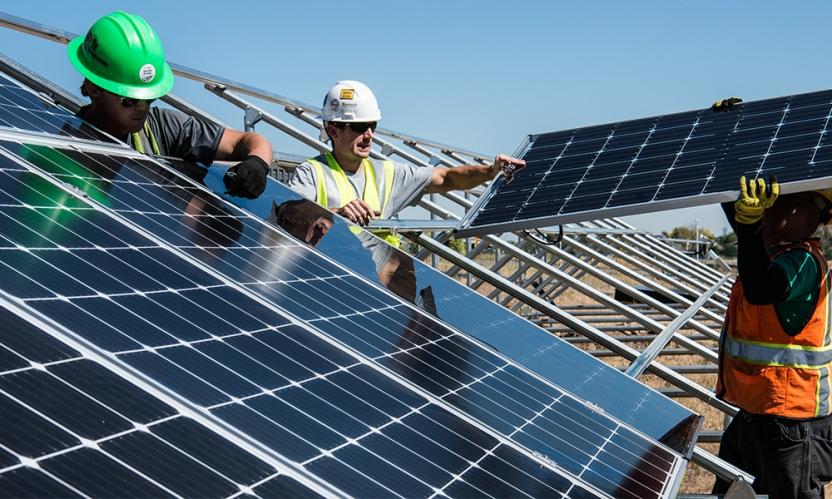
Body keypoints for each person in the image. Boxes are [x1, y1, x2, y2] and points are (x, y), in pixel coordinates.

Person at [287, 80, 525, 247]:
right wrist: (335, 214)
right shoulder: (311, 174)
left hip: (378, 282)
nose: (369, 135)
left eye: (373, 126)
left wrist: (491, 171)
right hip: (331, 280)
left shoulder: (387, 173)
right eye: (360, 127)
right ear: (333, 130)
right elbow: (289, 222)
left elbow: (447, 177)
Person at [67, 11, 273, 199]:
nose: (142, 108)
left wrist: (257, 164)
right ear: (94, 88)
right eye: (129, 99)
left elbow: (245, 141)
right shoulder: (64, 146)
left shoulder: (163, 126)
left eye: (149, 98)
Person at [713, 175, 832, 497]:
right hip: (758, 413)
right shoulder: (773, 253)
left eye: (773, 204)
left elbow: (762, 287)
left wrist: (749, 225)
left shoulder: (802, 260)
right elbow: (747, 237)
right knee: (728, 492)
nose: (765, 211)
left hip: (791, 420)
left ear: (801, 211)